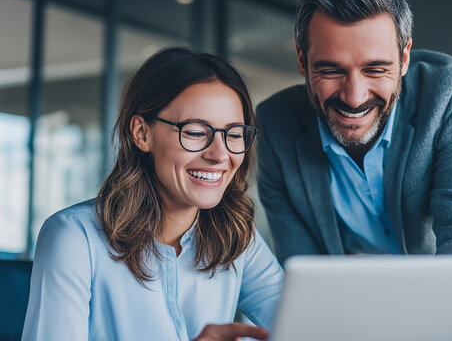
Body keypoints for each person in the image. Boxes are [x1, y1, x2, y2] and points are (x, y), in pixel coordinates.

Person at [22, 47, 283, 341]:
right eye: (196, 132)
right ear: (142, 133)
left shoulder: (238, 237)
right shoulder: (74, 237)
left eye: (234, 134)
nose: (221, 154)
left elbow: (303, 324)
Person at [257, 0, 452, 265]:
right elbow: (303, 266)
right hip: (366, 296)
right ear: (302, 60)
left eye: (376, 69)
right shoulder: (276, 123)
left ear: (404, 58)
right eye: (331, 70)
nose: (354, 98)